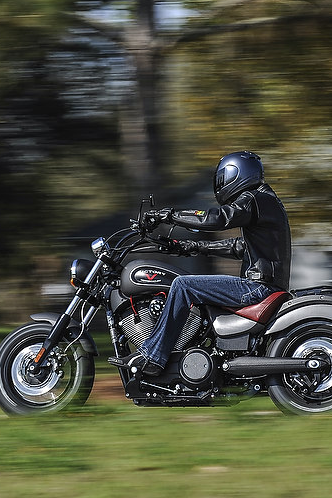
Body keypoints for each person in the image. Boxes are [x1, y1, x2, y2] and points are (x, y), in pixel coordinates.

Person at [110, 151, 292, 377]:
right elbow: (238, 247)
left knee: (183, 285)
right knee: (188, 286)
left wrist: (169, 216)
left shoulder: (254, 199)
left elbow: (218, 218)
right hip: (262, 285)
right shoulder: (265, 201)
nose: (220, 183)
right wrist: (188, 247)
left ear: (235, 174)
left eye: (222, 178)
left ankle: (153, 356)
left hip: (257, 288)